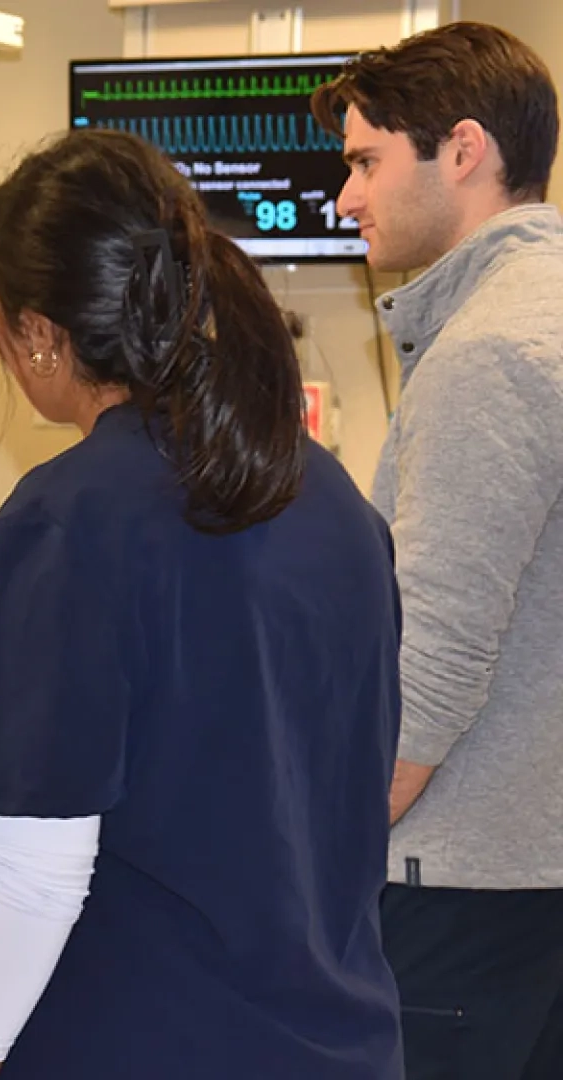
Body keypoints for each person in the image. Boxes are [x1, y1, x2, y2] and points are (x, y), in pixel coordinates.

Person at [0, 128, 403, 1080]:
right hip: (337, 1044)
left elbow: (30, 869)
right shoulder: (333, 499)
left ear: (37, 332)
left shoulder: (65, 521)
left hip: (143, 1042)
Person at [310, 22, 563, 1080]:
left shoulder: (491, 349)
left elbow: (440, 652)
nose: (346, 198)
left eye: (367, 162)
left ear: (463, 151)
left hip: (465, 889)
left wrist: (327, 846)